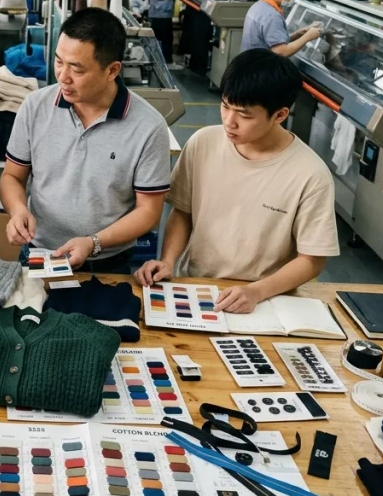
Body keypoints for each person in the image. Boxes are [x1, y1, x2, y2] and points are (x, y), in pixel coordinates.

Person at [134, 49, 339, 313]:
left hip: (265, 298)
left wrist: (257, 291)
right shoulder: (202, 143)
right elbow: (183, 212)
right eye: (225, 106)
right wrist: (168, 260)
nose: (229, 122)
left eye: (244, 115)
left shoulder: (311, 174)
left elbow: (312, 260)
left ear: (279, 115)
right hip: (196, 285)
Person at [0, 8, 170, 275]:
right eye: (58, 62)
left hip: (109, 263)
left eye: (76, 69)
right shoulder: (35, 106)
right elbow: (12, 176)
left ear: (112, 70)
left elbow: (149, 211)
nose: (63, 77)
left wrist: (94, 243)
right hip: (40, 252)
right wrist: (18, 209)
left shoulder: (148, 126)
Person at [241, 0, 322, 56]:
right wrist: (308, 37)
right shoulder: (272, 16)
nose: (293, 0)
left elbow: (270, 40)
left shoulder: (258, 6)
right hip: (260, 67)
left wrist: (297, 34)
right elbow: (281, 52)